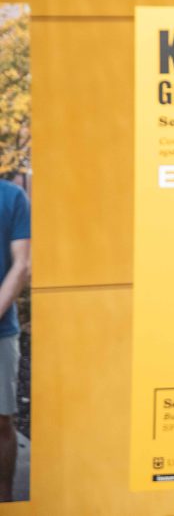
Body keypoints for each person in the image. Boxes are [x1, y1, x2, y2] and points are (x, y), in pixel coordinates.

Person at [0, 180, 29, 502]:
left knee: (1, 420)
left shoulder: (11, 196)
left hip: (1, 331)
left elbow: (21, 264)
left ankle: (5, 501)